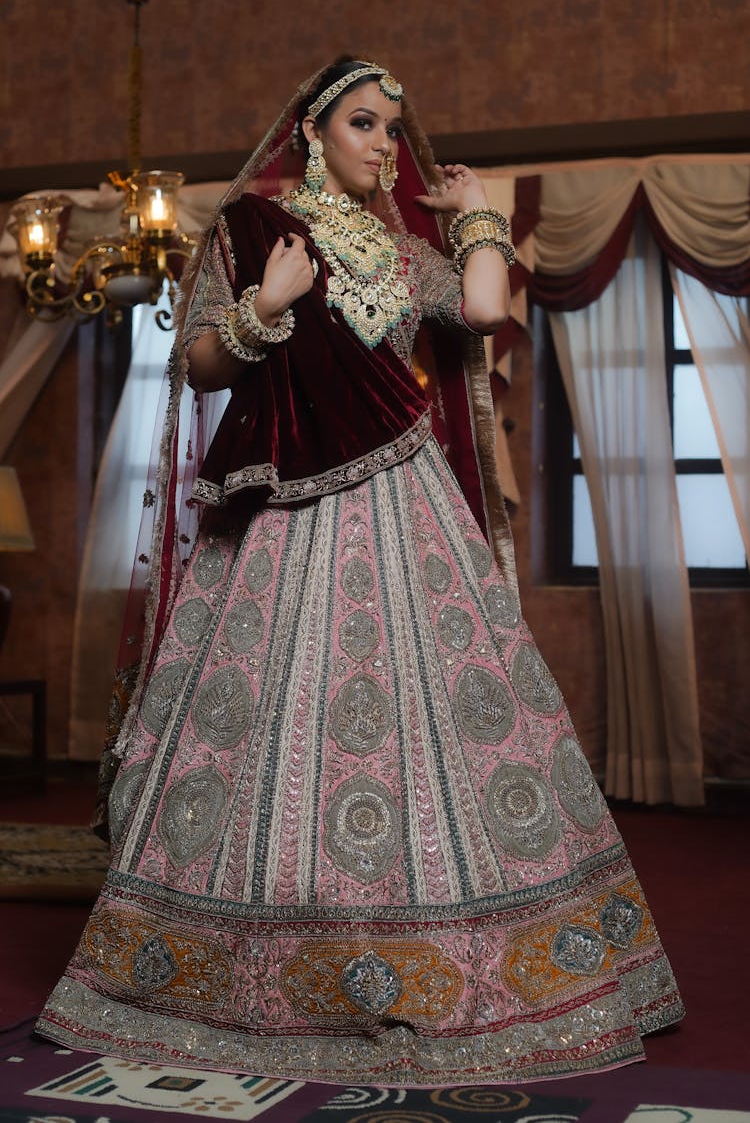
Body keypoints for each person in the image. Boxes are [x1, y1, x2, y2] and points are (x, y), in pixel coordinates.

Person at [37, 57, 683, 1086]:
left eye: (393, 129)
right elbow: (200, 363)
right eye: (364, 125)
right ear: (312, 135)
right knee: (276, 722)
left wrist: (475, 215)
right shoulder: (254, 233)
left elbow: (476, 313)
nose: (386, 145)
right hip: (283, 511)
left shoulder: (396, 244)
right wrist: (268, 305)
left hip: (403, 498)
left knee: (428, 723)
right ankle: (253, 951)